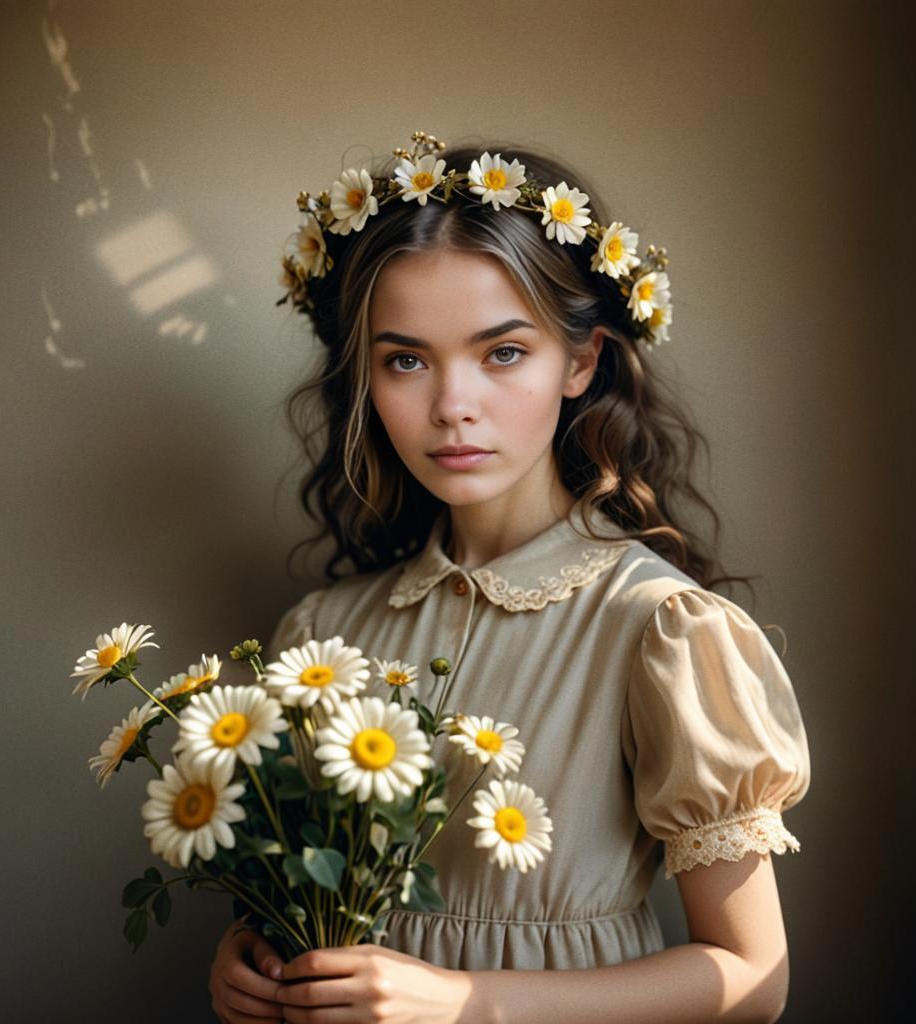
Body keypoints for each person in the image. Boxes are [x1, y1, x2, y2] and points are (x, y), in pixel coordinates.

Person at [208, 132, 811, 1023]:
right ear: (365, 378)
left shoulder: (661, 630)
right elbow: (303, 900)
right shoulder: (317, 639)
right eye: (405, 359)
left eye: (502, 353)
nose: (453, 404)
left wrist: (467, 1000)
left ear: (581, 361)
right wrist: (251, 959)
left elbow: (753, 980)